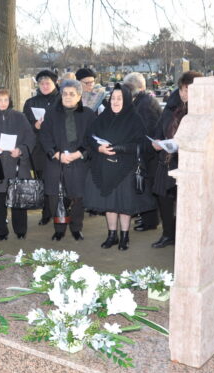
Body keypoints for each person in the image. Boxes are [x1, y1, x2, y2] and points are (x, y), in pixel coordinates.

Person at [85, 83, 156, 250]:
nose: (115, 102)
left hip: (127, 168)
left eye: (120, 98)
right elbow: (90, 137)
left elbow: (142, 145)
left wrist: (120, 148)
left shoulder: (135, 118)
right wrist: (99, 147)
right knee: (109, 203)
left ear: (126, 100)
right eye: (113, 98)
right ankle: (112, 235)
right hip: (105, 168)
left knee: (124, 204)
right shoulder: (103, 117)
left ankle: (124, 236)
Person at [150, 71, 202, 248]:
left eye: (188, 90)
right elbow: (160, 126)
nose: (183, 94)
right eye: (181, 90)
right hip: (166, 159)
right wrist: (157, 141)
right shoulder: (172, 105)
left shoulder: (202, 110)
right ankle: (167, 234)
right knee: (164, 200)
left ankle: (186, 237)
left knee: (186, 204)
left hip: (187, 163)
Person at [39, 79, 96, 241]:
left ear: (79, 96)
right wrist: (57, 154)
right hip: (56, 162)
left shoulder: (88, 114)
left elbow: (92, 138)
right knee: (56, 197)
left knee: (77, 197)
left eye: (72, 94)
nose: (68, 97)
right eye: (65, 93)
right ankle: (59, 228)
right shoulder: (51, 113)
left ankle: (76, 228)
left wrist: (79, 153)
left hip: (79, 162)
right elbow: (44, 136)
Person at [0, 88, 36, 240]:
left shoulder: (20, 116)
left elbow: (30, 138)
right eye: (0, 100)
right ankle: (0, 231)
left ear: (10, 100)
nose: (3, 103)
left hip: (16, 164)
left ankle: (21, 230)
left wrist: (20, 150)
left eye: (6, 100)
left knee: (18, 199)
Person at [123, 72, 162, 232]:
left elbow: (146, 129)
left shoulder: (145, 104)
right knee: (145, 186)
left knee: (147, 187)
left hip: (149, 152)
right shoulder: (143, 101)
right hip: (147, 150)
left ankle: (150, 221)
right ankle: (147, 219)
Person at [23, 70, 60, 226]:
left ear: (54, 83)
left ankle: (61, 213)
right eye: (42, 83)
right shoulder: (31, 102)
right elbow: (25, 126)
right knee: (43, 182)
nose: (45, 86)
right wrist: (35, 125)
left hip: (58, 147)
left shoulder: (62, 99)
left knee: (59, 182)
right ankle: (46, 213)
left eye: (48, 83)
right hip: (39, 149)